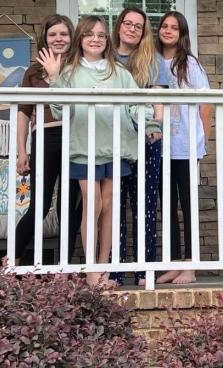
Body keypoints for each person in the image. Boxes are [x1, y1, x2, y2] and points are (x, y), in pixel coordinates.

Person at [42, 15, 160, 287]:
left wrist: (150, 123)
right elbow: (59, 108)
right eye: (89, 34)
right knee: (92, 204)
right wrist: (53, 78)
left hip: (117, 148)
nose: (95, 39)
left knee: (109, 207)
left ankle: (105, 267)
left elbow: (136, 104)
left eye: (101, 35)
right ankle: (92, 269)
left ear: (106, 40)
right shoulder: (70, 73)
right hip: (85, 148)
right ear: (80, 39)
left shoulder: (119, 73)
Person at [14, 14, 81, 266]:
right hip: (45, 136)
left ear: (71, 37)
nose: (58, 39)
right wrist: (22, 151)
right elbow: (23, 112)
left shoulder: (79, 66)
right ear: (45, 38)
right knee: (39, 205)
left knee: (70, 206)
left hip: (76, 136)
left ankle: (64, 265)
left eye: (63, 34)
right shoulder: (34, 71)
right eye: (53, 34)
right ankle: (12, 259)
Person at [110, 8, 168, 286]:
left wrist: (155, 126)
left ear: (144, 32)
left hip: (145, 140)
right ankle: (116, 271)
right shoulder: (105, 56)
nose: (132, 29)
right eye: (127, 23)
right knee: (114, 206)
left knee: (145, 205)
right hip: (111, 143)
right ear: (119, 26)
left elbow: (158, 101)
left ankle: (145, 270)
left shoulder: (152, 59)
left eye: (138, 26)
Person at [155, 11, 212, 285]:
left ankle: (190, 266)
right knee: (167, 205)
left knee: (188, 206)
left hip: (186, 145)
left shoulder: (189, 64)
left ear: (181, 33)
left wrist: (204, 140)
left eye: (173, 27)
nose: (167, 31)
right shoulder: (153, 62)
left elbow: (205, 104)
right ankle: (174, 263)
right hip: (160, 146)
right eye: (164, 26)